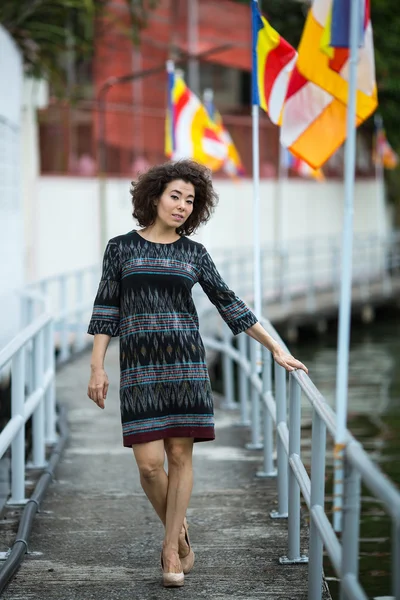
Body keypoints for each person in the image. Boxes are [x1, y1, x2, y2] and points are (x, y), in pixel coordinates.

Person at [87, 159, 307, 588]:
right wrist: (97, 366)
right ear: (154, 197)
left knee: (179, 456)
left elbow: (229, 303)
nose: (183, 206)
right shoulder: (121, 248)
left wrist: (277, 349)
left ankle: (171, 548)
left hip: (185, 365)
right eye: (176, 196)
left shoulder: (194, 254)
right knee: (149, 466)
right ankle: (182, 531)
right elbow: (106, 308)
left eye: (190, 200)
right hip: (138, 369)